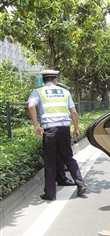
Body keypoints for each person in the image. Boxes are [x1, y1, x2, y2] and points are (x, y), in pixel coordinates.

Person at [27, 69, 86, 200]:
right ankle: (80, 184)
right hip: (64, 128)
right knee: (68, 158)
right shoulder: (65, 92)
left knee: (50, 161)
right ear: (55, 80)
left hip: (50, 130)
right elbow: (74, 112)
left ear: (43, 81)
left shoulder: (38, 92)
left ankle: (50, 194)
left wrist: (36, 125)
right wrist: (76, 128)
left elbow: (31, 106)